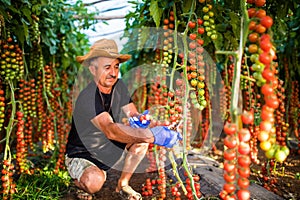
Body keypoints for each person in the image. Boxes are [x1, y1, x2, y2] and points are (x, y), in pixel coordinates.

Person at [65, 38, 182, 200]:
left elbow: (133, 115)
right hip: (83, 154)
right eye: (107, 67)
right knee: (94, 182)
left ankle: (123, 184)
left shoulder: (119, 86)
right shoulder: (88, 97)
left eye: (116, 66)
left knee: (141, 139)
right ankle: (80, 182)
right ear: (93, 69)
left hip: (108, 150)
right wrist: (152, 135)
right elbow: (111, 130)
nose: (113, 73)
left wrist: (150, 121)